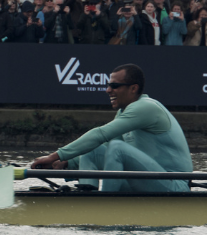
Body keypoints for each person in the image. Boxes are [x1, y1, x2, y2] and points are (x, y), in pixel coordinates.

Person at [29, 63, 192, 192]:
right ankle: (87, 193)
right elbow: (101, 145)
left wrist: (53, 157)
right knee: (93, 148)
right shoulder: (125, 111)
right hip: (147, 180)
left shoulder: (146, 107)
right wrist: (67, 163)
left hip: (174, 185)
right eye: (108, 85)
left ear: (133, 88)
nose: (108, 90)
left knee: (117, 148)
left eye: (114, 86)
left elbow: (101, 134)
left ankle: (105, 202)